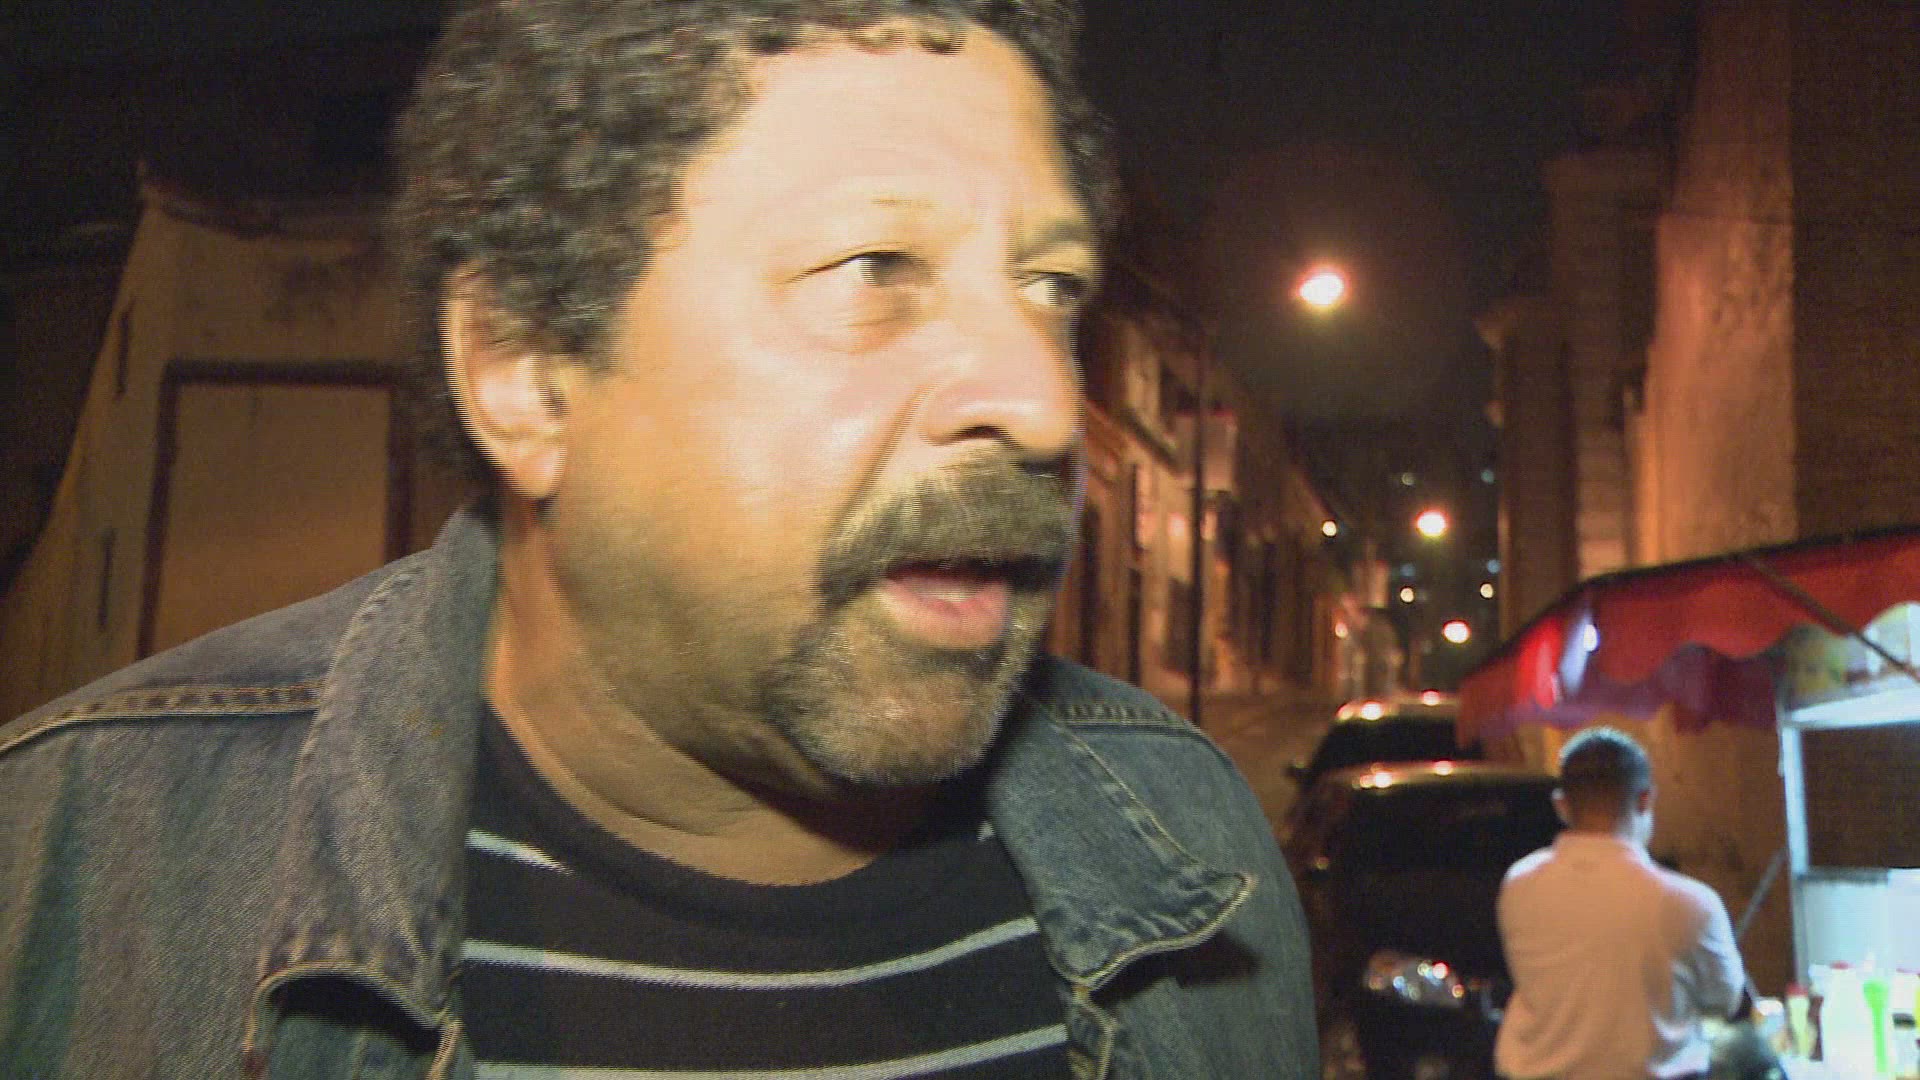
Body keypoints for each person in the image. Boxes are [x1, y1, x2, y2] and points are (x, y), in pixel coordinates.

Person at [0, 1, 1317, 1076]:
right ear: (526, 371)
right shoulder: (68, 867)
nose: (1041, 401)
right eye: (874, 269)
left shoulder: (1199, 840)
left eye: (1053, 287)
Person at [1494, 726, 1747, 1080]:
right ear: (1645, 800)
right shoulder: (1690, 903)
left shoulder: (1519, 885)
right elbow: (1726, 999)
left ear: (1562, 805)